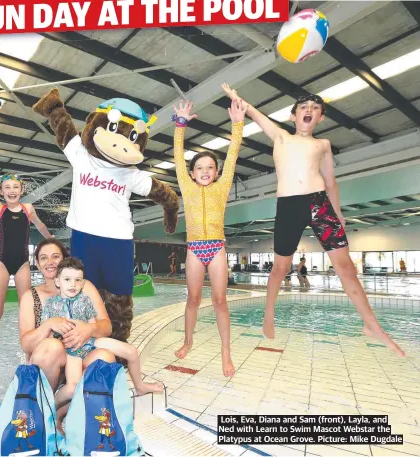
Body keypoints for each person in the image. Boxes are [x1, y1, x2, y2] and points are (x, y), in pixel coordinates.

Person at [222, 85, 405, 357]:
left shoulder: (323, 145)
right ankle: (268, 314)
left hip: (320, 204)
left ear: (320, 118)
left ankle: (372, 325)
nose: (309, 111)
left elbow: (330, 180)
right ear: (293, 116)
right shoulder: (281, 137)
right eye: (303, 108)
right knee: (280, 269)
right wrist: (237, 98)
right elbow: (254, 114)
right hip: (289, 205)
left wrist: (338, 211)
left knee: (346, 268)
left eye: (315, 109)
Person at [171, 98, 246, 377]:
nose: (204, 171)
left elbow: (234, 154)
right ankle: (188, 341)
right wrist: (180, 125)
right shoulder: (186, 187)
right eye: (199, 167)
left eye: (209, 167)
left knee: (219, 300)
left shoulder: (222, 186)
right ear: (192, 173)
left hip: (216, 248)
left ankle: (226, 352)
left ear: (216, 173)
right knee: (192, 299)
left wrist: (237, 125)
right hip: (194, 248)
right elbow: (178, 157)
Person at [0, 155, 53, 377]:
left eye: (15, 187)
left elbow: (41, 226)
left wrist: (52, 242)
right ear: (2, 191)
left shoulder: (28, 208)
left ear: (21, 189)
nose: (11, 190)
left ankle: (28, 357)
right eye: (7, 187)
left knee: (28, 310)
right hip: (3, 263)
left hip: (23, 263)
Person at [42, 257, 164, 408]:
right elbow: (47, 335)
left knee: (131, 351)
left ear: (82, 283)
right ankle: (49, 408)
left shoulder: (85, 300)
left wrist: (88, 331)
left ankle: (140, 386)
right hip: (71, 349)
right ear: (58, 281)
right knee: (72, 389)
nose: (73, 284)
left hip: (89, 341)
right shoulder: (50, 304)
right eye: (67, 279)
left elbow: (94, 326)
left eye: (78, 280)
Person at [18, 239, 115, 410]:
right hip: (49, 363)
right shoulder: (30, 297)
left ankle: (64, 414)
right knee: (52, 346)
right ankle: (42, 408)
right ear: (38, 265)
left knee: (105, 358)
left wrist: (89, 329)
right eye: (43, 258)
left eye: (55, 256)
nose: (50, 262)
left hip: (79, 358)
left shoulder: (84, 287)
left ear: (64, 259)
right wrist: (48, 324)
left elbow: (106, 326)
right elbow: (26, 344)